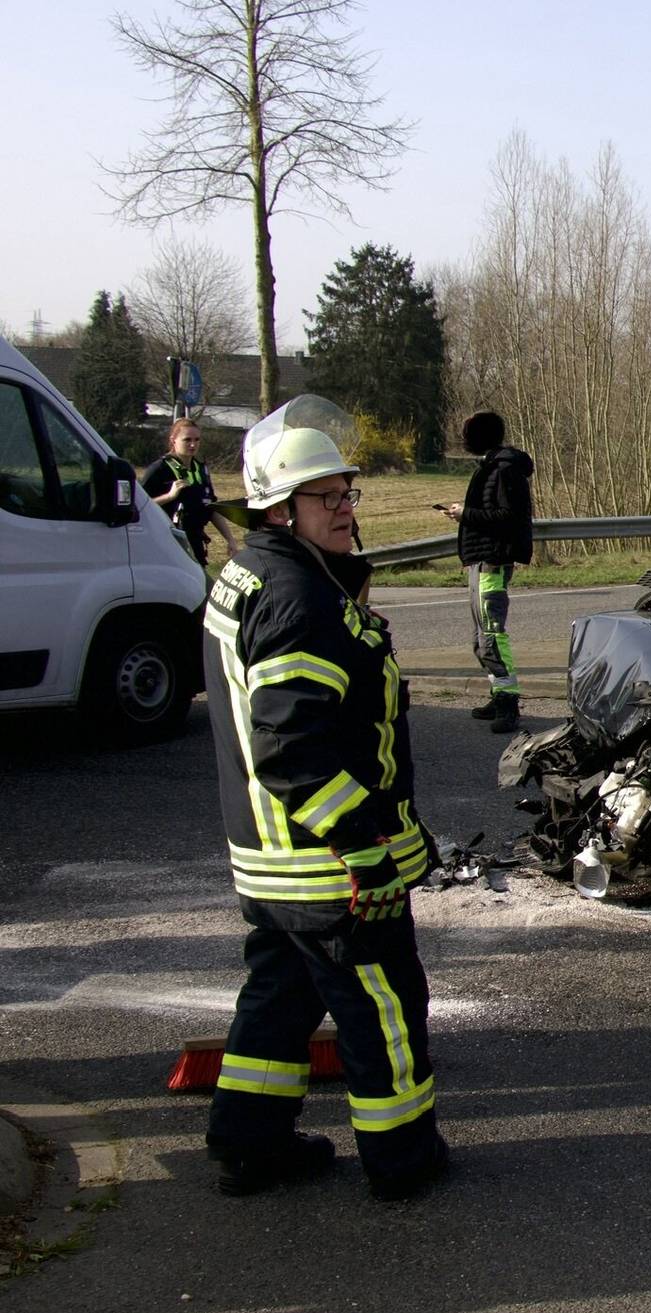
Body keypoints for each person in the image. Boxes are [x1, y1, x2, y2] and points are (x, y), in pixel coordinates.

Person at [202, 395, 447, 1202]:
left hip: (272, 865)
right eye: (325, 497)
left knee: (277, 1004)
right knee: (383, 1011)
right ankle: (403, 1159)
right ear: (279, 507)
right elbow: (288, 744)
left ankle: (249, 1143)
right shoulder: (300, 599)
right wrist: (365, 846)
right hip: (327, 868)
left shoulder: (249, 574)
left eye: (348, 492)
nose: (345, 508)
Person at [443, 411, 534, 734]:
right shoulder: (495, 467)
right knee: (480, 639)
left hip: (493, 561)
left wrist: (464, 514)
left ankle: (508, 703)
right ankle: (499, 694)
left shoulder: (505, 470)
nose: (463, 438)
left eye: (467, 433)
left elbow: (507, 516)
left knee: (492, 635)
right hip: (481, 559)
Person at [140, 417, 237, 566]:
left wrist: (230, 539)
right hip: (168, 543)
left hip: (195, 542)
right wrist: (169, 496)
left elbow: (211, 507)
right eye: (187, 440)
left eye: (197, 439)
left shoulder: (201, 469)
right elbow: (139, 505)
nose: (193, 444)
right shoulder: (159, 469)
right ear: (173, 440)